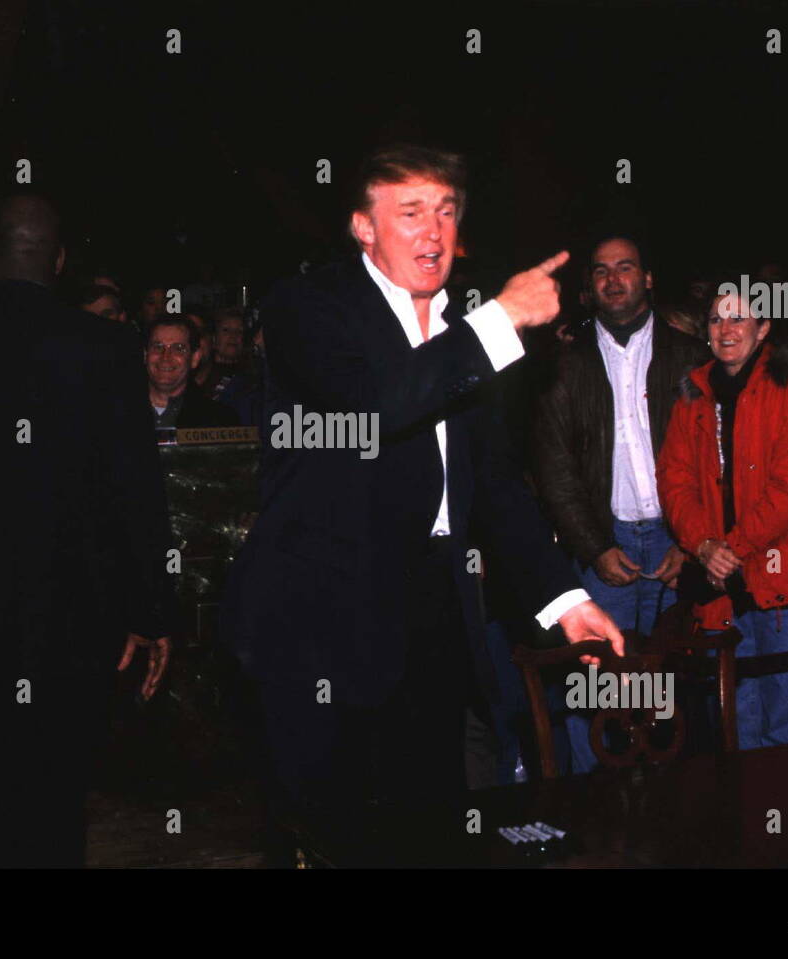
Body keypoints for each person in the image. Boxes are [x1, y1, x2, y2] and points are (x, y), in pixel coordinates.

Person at [222, 145, 623, 824]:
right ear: (362, 227)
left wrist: (564, 600)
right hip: (322, 628)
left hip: (433, 615)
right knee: (333, 836)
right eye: (409, 212)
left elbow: (494, 483)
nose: (433, 231)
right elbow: (373, 408)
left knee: (430, 829)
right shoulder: (306, 306)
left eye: (445, 211)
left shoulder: (461, 332)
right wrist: (499, 320)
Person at [0, 193, 175, 867]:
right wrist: (150, 609)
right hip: (76, 613)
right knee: (58, 791)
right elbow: (136, 487)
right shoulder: (103, 347)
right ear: (61, 261)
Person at [533, 235, 708, 772]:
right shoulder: (564, 363)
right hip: (602, 541)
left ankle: (669, 820)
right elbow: (554, 468)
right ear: (590, 286)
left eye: (626, 267)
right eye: (602, 271)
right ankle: (598, 821)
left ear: (648, 277)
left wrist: (691, 542)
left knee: (671, 691)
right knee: (595, 688)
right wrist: (595, 546)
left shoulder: (690, 357)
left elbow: (711, 459)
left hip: (672, 540)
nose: (614, 279)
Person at [658, 289, 788, 748]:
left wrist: (731, 550)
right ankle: (754, 820)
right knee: (739, 728)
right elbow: (674, 478)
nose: (726, 330)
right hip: (726, 584)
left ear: (763, 330)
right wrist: (703, 546)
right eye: (717, 320)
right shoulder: (693, 392)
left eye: (739, 319)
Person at [144, 314, 240, 429]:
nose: (165, 357)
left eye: (178, 348)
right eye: (157, 347)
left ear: (195, 358)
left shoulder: (221, 421)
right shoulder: (120, 410)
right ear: (145, 355)